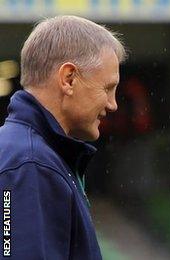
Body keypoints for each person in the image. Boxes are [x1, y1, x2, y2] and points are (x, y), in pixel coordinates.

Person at [0, 15, 126, 259]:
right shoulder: (31, 164)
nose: (113, 105)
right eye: (108, 88)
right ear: (68, 79)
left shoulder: (23, 153)